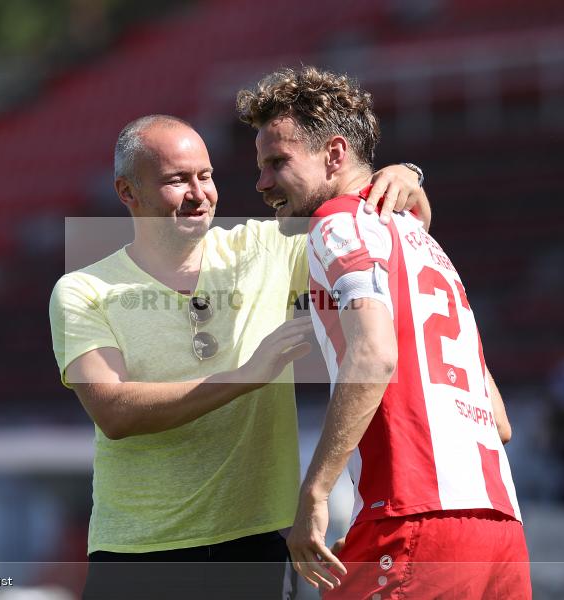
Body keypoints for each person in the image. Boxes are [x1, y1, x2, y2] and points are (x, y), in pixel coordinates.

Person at [48, 114, 431, 599]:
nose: (199, 193)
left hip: (258, 543)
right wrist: (247, 376)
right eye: (176, 180)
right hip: (138, 551)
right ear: (128, 192)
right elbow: (115, 411)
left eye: (204, 176)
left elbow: (390, 233)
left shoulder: (267, 247)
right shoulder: (83, 289)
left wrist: (406, 175)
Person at [237, 66, 530, 599]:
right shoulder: (425, 244)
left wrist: (316, 493)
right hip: (500, 526)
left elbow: (373, 355)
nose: (261, 182)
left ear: (334, 154)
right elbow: (499, 422)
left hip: (413, 513)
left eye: (278, 162)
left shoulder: (336, 221)